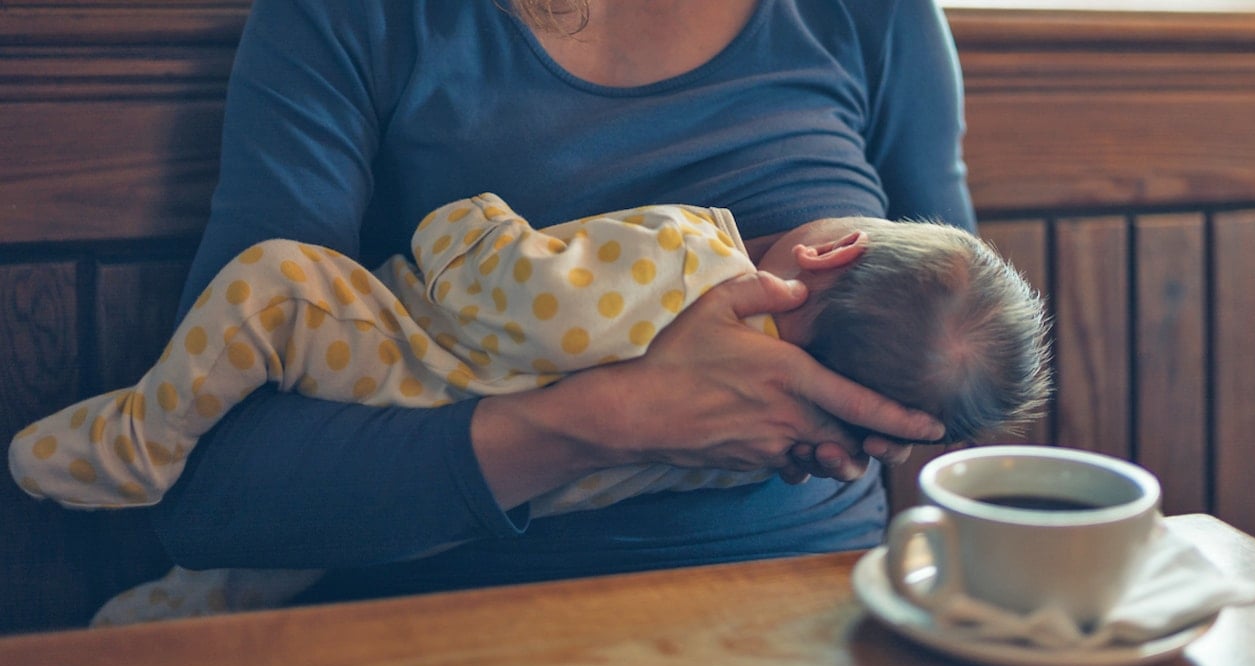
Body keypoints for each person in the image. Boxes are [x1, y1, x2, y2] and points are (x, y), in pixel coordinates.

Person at [28, 0, 986, 617]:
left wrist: (887, 426)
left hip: (818, 614)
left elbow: (955, 352)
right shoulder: (354, 20)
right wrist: (616, 419)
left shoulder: (871, 17)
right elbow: (214, 501)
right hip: (466, 621)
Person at [11, 191, 1048, 624]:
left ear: (830, 249)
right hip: (462, 522)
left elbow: (500, 288)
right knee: (263, 574)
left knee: (271, 286)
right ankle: (154, 610)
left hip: (386, 368)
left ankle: (138, 439)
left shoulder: (690, 254)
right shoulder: (762, 442)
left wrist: (466, 222)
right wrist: (839, 441)